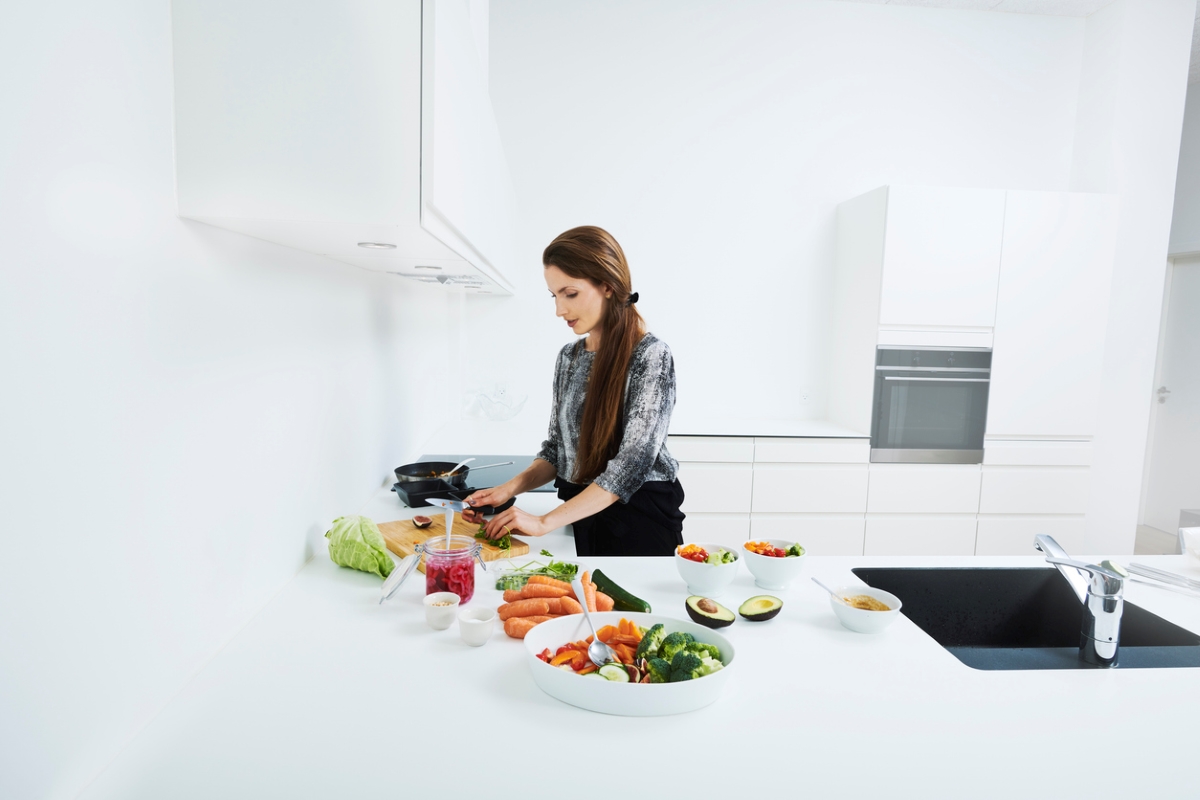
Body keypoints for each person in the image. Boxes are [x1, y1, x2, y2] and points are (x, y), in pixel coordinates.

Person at [461, 226, 684, 556]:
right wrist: (507, 490)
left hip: (641, 523)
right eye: (554, 296)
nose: (559, 310)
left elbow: (631, 468)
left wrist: (541, 522)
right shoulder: (569, 358)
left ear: (607, 286)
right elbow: (556, 449)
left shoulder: (651, 356)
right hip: (582, 516)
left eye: (570, 293)